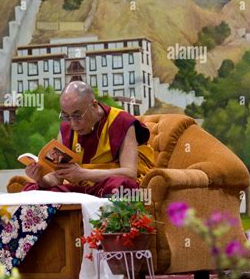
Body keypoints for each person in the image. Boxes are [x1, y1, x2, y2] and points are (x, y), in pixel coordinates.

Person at [23, 81, 154, 198]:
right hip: (81, 190)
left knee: (121, 186)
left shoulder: (121, 121)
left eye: (77, 116)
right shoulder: (66, 129)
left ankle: (104, 225)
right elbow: (57, 179)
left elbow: (130, 173)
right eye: (66, 116)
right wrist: (40, 179)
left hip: (107, 186)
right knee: (32, 190)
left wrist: (84, 174)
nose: (73, 124)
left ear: (94, 105)